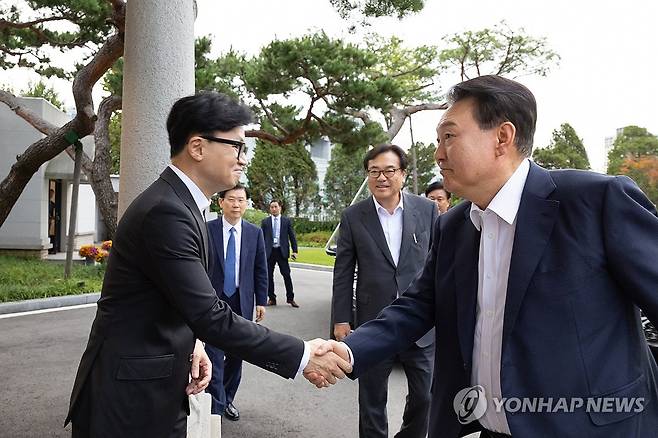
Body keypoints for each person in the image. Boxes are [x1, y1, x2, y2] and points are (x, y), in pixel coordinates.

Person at [317, 75, 658, 437]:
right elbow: (416, 307)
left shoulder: (595, 202)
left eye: (449, 136)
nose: (438, 154)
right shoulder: (453, 228)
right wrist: (348, 351)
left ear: (502, 138)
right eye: (437, 141)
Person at [65, 92, 351, 437]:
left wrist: (194, 343)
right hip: (129, 400)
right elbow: (209, 314)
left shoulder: (180, 203)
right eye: (236, 146)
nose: (242, 159)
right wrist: (302, 354)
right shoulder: (166, 211)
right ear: (198, 147)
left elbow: (173, 298)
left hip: (148, 388)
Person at [332, 144, 438, 438]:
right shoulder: (354, 216)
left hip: (420, 323)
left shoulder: (426, 210)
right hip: (373, 322)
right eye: (374, 171)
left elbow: (438, 264)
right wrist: (341, 319)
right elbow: (343, 271)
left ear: (403, 174)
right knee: (372, 400)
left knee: (425, 396)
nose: (381, 177)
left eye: (389, 170)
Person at [206, 184, 267, 422]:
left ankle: (227, 398)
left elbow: (261, 269)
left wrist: (261, 300)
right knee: (213, 353)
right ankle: (216, 403)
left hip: (242, 301)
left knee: (237, 354)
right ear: (221, 202)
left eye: (241, 200)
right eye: (231, 199)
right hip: (213, 301)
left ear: (246, 203)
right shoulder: (207, 229)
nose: (236, 204)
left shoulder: (254, 233)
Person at [261, 200, 299, 307]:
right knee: (268, 276)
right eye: (272, 207)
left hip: (282, 252)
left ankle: (290, 298)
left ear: (280, 208)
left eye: (275, 207)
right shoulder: (265, 222)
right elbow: (261, 238)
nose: (273, 209)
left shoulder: (286, 221)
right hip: (269, 252)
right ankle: (272, 298)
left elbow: (292, 237)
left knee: (286, 275)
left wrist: (295, 251)